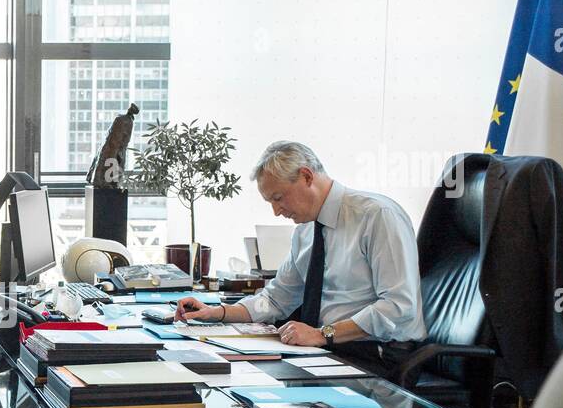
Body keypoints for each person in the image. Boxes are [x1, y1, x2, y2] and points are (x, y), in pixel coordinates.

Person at [173, 141, 426, 380]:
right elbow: (275, 299)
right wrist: (216, 313)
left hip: (378, 354)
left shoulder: (377, 216)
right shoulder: (306, 232)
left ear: (306, 176)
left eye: (278, 198)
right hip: (327, 349)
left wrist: (322, 334)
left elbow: (398, 306)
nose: (276, 211)